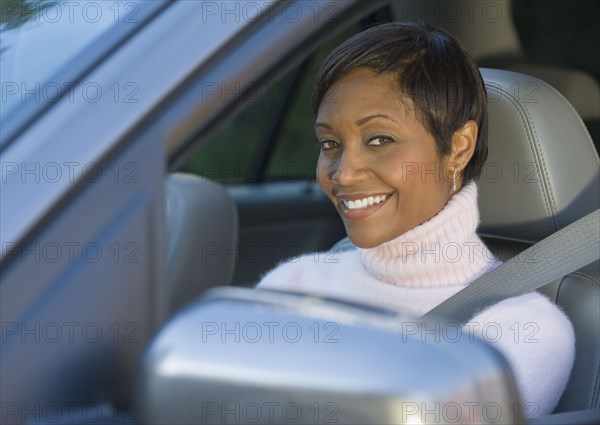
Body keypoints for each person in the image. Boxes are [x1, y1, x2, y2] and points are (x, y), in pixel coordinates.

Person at [255, 22, 574, 417]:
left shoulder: (524, 330)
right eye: (330, 144)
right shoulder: (294, 283)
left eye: (379, 140)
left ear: (459, 147)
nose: (343, 172)